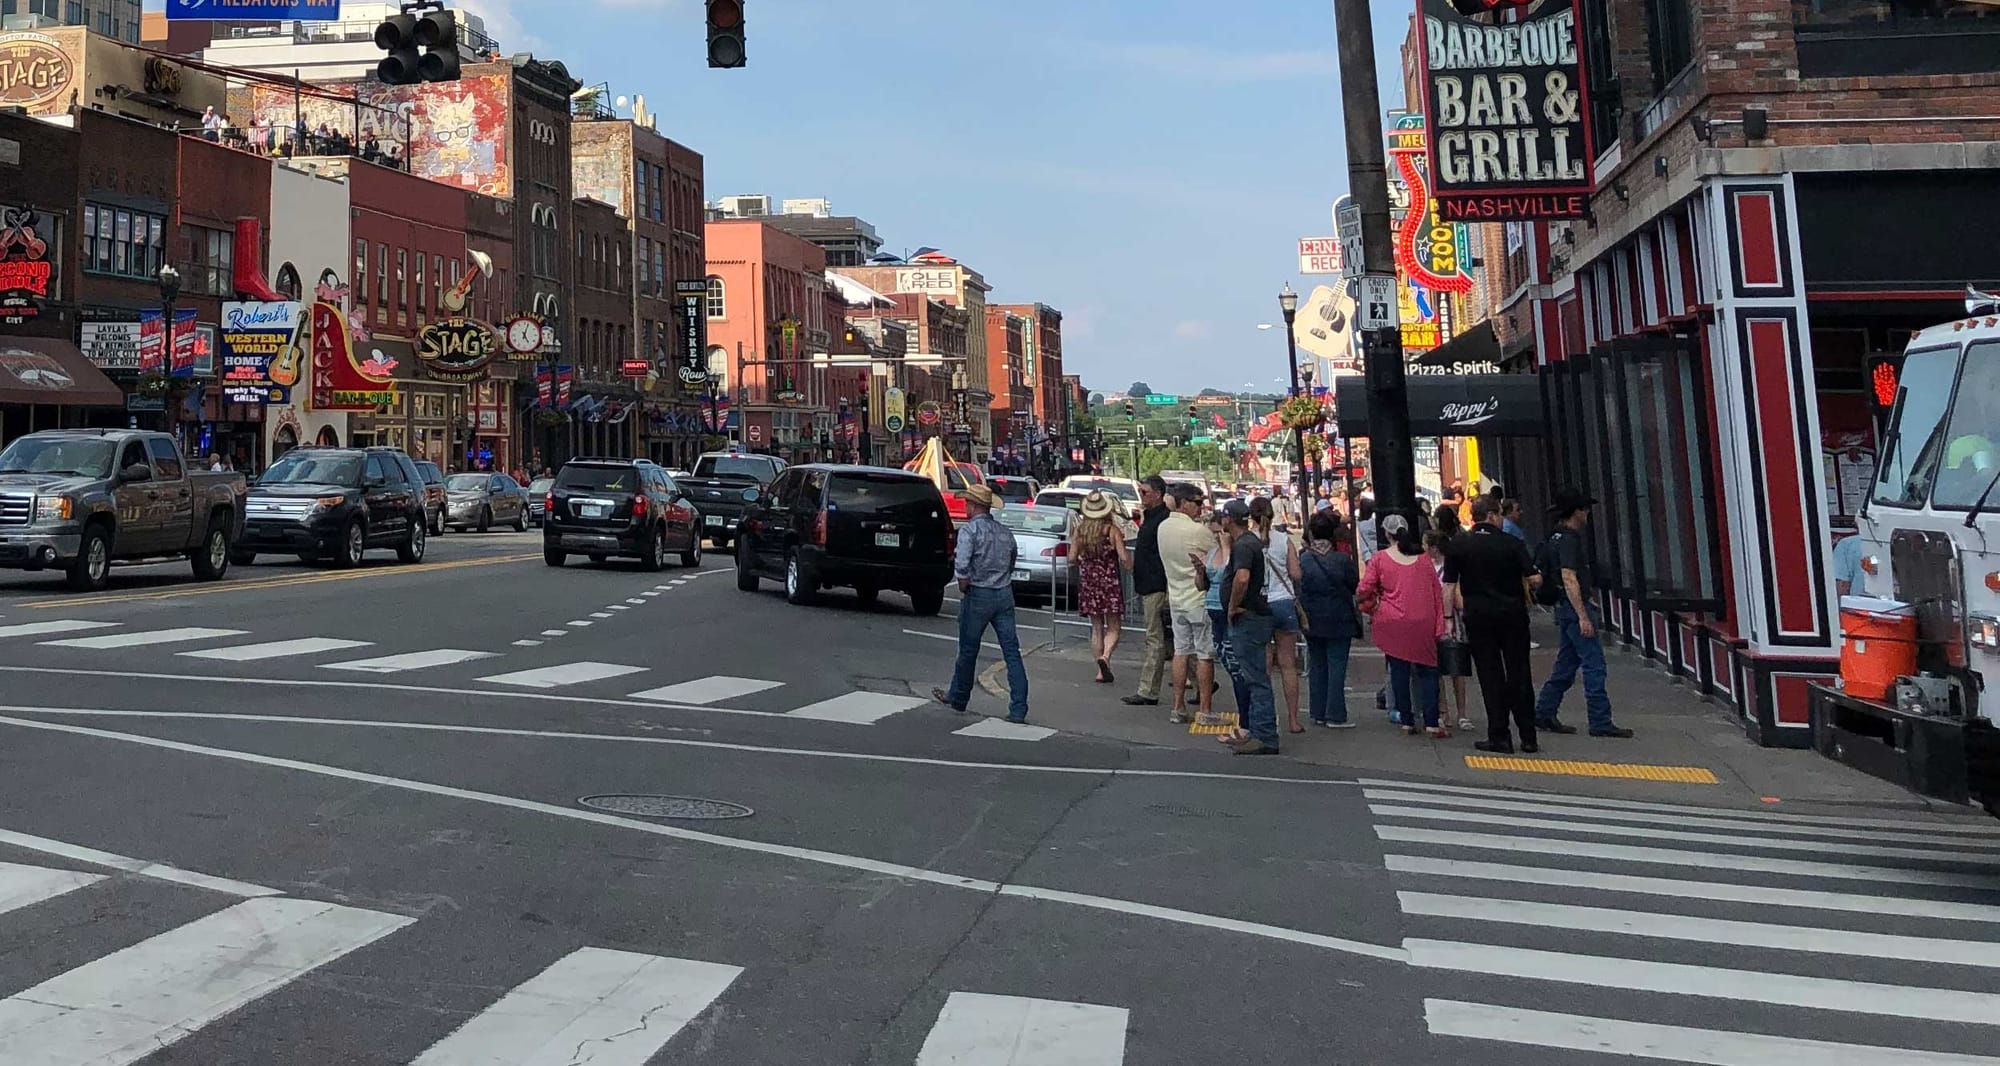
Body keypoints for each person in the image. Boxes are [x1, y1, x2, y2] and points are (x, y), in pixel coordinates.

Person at [1444, 495, 1542, 753]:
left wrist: (1447, 620)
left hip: (1478, 617)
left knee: (1490, 675)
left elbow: (1449, 585)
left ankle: (1499, 735)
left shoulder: (1459, 545)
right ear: (1491, 515)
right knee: (1519, 672)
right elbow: (1533, 579)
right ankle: (1528, 735)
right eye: (1499, 514)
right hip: (1512, 615)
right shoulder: (1512, 543)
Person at [1534, 489, 1633, 738]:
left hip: (1564, 607)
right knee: (1594, 665)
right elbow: (1569, 576)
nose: (1588, 513)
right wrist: (1583, 615)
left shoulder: (1553, 537)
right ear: (1576, 511)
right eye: (1585, 508)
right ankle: (1600, 720)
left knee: (1566, 665)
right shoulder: (1569, 539)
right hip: (1574, 608)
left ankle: (1544, 711)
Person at [933, 486, 1029, 723]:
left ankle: (959, 696)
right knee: (1011, 652)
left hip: (979, 593)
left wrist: (964, 585)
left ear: (974, 506)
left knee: (968, 649)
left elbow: (962, 566)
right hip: (1003, 593)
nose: (965, 507)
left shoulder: (969, 531)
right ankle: (1018, 707)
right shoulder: (1004, 532)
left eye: (967, 503)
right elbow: (1011, 561)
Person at [1358, 513, 1450, 738]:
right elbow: (1436, 593)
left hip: (1393, 621)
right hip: (1423, 620)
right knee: (1429, 672)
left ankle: (1407, 720)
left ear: (1387, 534)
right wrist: (1442, 623)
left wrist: (1376, 601)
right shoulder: (1424, 559)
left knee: (1398, 672)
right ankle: (1431, 721)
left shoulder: (1380, 559)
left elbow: (1363, 589)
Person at [1217, 500, 1279, 754]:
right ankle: (1255, 730)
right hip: (1255, 616)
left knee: (1255, 679)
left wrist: (1232, 605)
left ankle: (1264, 735)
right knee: (1253, 676)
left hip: (1248, 618)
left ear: (1228, 519)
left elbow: (1242, 578)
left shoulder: (1244, 545)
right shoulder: (1250, 542)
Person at [1158, 484, 1215, 724]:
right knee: (1204, 654)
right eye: (1197, 502)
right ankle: (1204, 709)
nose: (1200, 507)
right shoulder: (1197, 531)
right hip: (1198, 598)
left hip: (1176, 596)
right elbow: (1216, 559)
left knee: (1181, 652)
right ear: (1184, 503)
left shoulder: (1163, 527)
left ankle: (1178, 706)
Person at [1298, 511, 1360, 728]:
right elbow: (1354, 585)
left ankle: (1317, 711)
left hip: (1312, 617)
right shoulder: (1342, 560)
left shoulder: (1303, 560)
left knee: (1317, 665)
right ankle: (1335, 713)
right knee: (1336, 666)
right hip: (1340, 617)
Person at [1249, 496, 1304, 734]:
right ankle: (1293, 719)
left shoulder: (1247, 541)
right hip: (1283, 603)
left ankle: (1266, 718)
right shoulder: (1284, 540)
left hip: (1259, 605)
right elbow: (1295, 573)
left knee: (1262, 668)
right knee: (1288, 665)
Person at [1123, 475, 1173, 707]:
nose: (1141, 496)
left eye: (1144, 492)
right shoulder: (1152, 518)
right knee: (1169, 639)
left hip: (1157, 585)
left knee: (1155, 638)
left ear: (1158, 494)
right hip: (1150, 583)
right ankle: (1198, 676)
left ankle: (1148, 690)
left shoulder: (1162, 520)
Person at [1072, 491, 1131, 684]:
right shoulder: (1111, 531)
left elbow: (1071, 558)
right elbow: (1123, 558)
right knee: (1113, 627)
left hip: (1089, 582)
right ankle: (1105, 657)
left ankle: (1099, 671)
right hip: (1109, 582)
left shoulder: (1080, 531)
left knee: (1096, 627)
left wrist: (1083, 560)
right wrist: (1130, 565)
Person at [1203, 512, 1250, 723]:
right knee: (1224, 656)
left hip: (1228, 609)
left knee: (1235, 664)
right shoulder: (1214, 552)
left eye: (1220, 532)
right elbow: (1204, 581)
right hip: (1214, 608)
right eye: (1214, 533)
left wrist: (1225, 546)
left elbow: (1232, 575)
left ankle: (1246, 717)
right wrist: (1199, 571)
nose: (1218, 537)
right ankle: (1245, 715)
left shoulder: (1236, 551)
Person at [1427, 526, 1472, 732]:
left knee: (1455, 668)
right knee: (1442, 668)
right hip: (1442, 619)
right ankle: (1447, 711)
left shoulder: (1449, 568)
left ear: (1434, 547)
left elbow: (1459, 597)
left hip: (1448, 619)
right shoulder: (1428, 568)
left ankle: (1457, 712)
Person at [1833, 531, 1865, 596]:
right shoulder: (1847, 544)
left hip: (1860, 603)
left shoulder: (1847, 544)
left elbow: (1841, 587)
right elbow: (1841, 585)